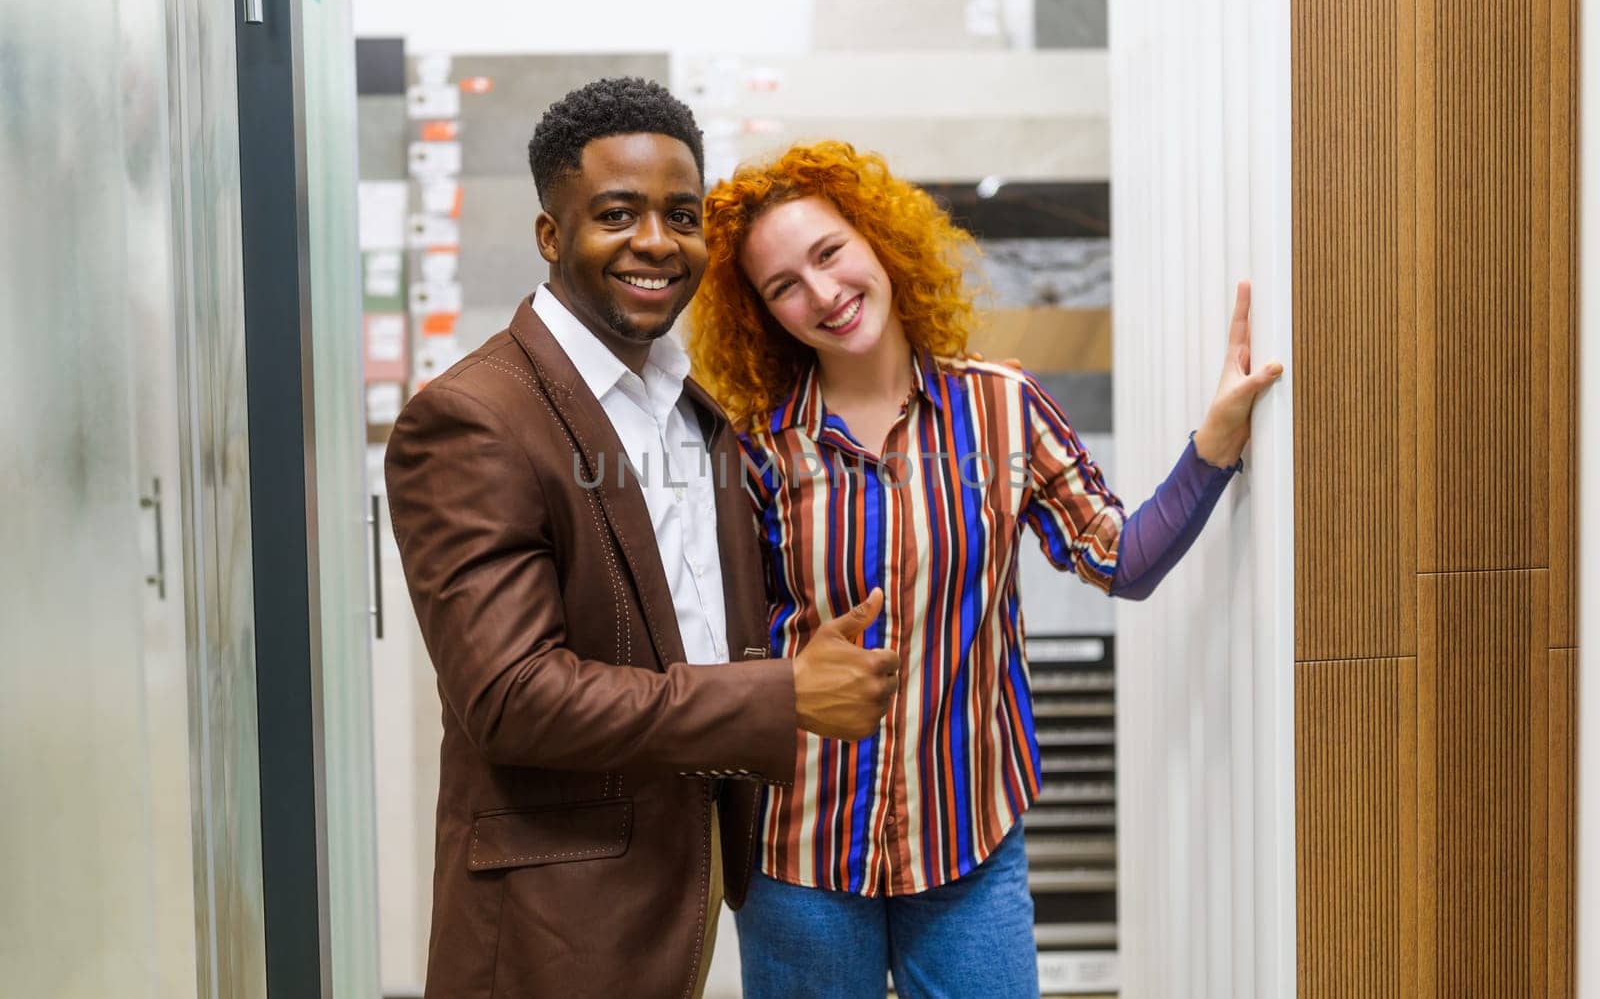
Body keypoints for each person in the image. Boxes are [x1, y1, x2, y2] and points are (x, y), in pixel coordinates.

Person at [686, 140, 1283, 998]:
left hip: (965, 843)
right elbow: (719, 650)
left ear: (877, 240)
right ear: (763, 313)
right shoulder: (758, 452)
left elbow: (1122, 559)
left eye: (829, 253)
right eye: (783, 285)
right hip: (799, 855)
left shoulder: (1003, 408)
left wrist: (1216, 441)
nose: (821, 293)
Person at [384, 82, 900, 999]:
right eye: (617, 214)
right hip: (559, 914)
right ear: (551, 236)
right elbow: (511, 696)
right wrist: (781, 694)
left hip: (689, 878)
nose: (658, 242)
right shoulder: (472, 417)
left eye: (682, 215)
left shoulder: (693, 413)